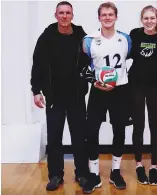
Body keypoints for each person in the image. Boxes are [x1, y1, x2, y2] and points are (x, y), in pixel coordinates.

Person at [30, 1, 90, 191]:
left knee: (79, 137)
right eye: (61, 13)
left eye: (68, 13)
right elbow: (37, 63)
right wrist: (36, 90)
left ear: (72, 15)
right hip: (54, 96)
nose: (65, 16)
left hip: (76, 96)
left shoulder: (81, 36)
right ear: (55, 15)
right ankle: (55, 175)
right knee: (54, 137)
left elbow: (90, 61)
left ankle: (81, 173)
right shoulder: (47, 37)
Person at [81, 2, 131, 194]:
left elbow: (133, 62)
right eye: (104, 15)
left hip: (120, 91)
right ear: (99, 17)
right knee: (91, 131)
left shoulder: (125, 39)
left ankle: (115, 172)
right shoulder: (88, 40)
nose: (108, 17)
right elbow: (82, 68)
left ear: (116, 17)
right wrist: (94, 81)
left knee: (119, 130)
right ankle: (94, 174)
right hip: (98, 91)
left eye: (111, 14)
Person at [128, 5, 157, 185]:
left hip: (156, 87)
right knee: (138, 126)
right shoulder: (135, 34)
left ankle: (153, 166)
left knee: (155, 126)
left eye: (152, 18)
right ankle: (138, 165)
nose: (149, 21)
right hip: (136, 86)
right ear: (141, 19)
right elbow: (124, 54)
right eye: (146, 18)